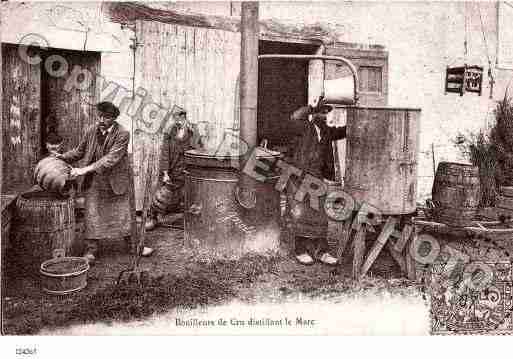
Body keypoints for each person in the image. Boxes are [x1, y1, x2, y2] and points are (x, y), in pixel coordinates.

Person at [58, 101, 153, 265]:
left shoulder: (123, 133)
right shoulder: (90, 131)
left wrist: (84, 169)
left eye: (106, 117)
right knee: (92, 213)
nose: (102, 120)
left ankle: (135, 246)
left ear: (114, 118)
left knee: (125, 214)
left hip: (117, 179)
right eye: (100, 116)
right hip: (94, 179)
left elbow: (111, 159)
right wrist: (61, 157)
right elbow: (79, 151)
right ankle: (90, 250)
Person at [286, 96, 346, 266]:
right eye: (322, 112)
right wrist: (311, 107)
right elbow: (295, 117)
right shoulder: (303, 127)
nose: (325, 116)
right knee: (300, 213)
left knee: (320, 215)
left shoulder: (326, 131)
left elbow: (343, 131)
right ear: (315, 114)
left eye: (327, 112)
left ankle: (321, 251)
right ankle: (300, 250)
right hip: (298, 176)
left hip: (316, 177)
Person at [145, 108, 202, 230]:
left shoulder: (193, 130)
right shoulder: (170, 130)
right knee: (162, 195)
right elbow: (165, 152)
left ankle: (189, 221)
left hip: (187, 168)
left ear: (184, 117)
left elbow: (198, 148)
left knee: (189, 195)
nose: (177, 120)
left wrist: (193, 134)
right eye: (175, 118)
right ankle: (152, 217)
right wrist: (165, 172)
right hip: (173, 168)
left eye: (180, 118)